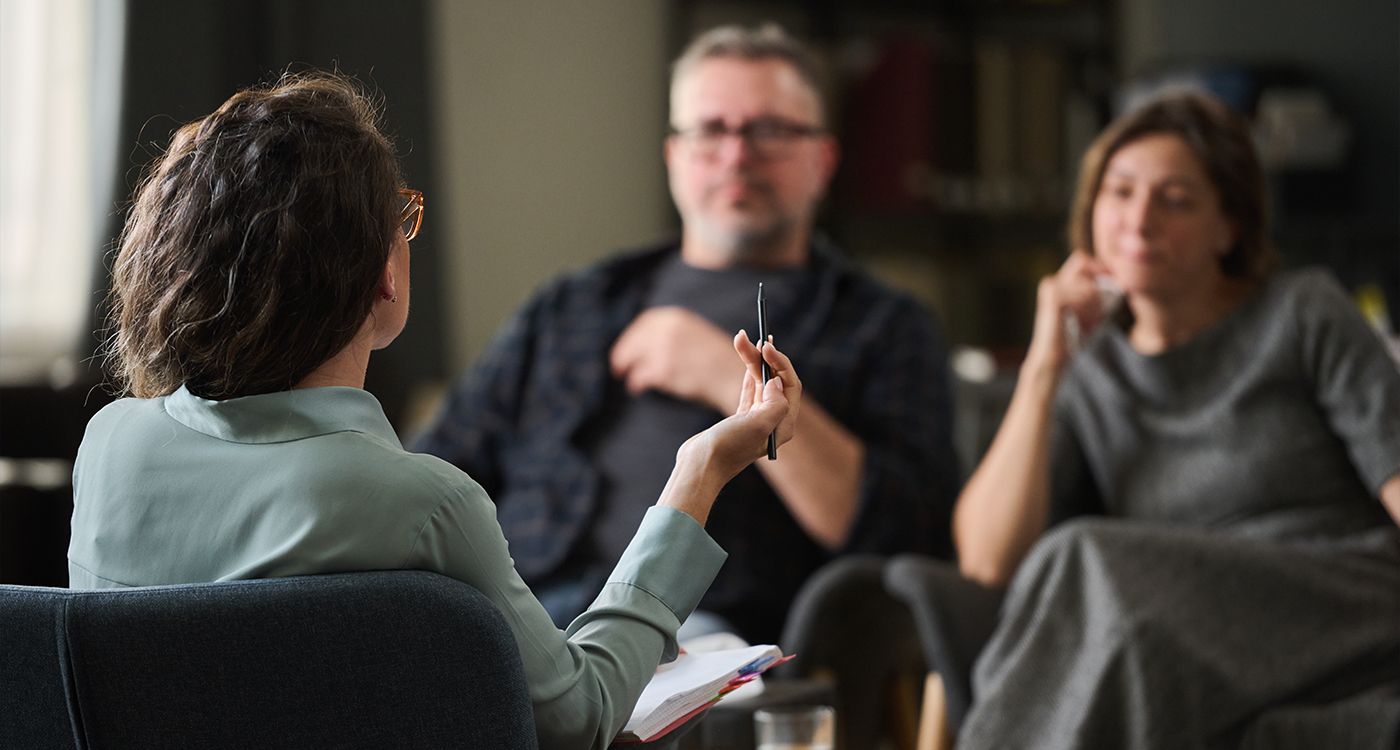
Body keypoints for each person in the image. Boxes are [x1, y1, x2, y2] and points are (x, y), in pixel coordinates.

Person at [67, 71, 803, 750]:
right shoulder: (425, 505)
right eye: (400, 216)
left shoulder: (109, 447)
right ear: (382, 273)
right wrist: (699, 470)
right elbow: (580, 719)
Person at [413, 23, 957, 644]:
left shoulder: (885, 325)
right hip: (521, 609)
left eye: (769, 130)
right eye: (710, 131)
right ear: (674, 155)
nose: (736, 155)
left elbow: (911, 538)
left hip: (709, 629)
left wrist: (724, 375)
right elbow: (436, 468)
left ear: (822, 160)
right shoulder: (575, 303)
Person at [950, 90, 1400, 748]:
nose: (1139, 219)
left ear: (1230, 227)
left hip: (1338, 607)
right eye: (1120, 191)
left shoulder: (1303, 312)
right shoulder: (1090, 370)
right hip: (1184, 642)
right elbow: (987, 560)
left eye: (1177, 199)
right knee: (1077, 577)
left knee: (1084, 556)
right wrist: (1046, 366)